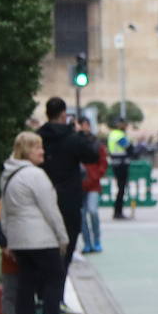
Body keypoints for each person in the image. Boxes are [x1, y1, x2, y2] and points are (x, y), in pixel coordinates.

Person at [0, 131, 75, 314]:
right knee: (55, 275)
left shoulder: (8, 174)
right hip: (40, 237)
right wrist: (62, 237)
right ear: (26, 151)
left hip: (19, 238)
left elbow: (4, 209)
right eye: (37, 148)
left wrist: (8, 237)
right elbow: (50, 209)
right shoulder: (35, 175)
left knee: (27, 280)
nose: (42, 152)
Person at [37, 97, 98, 295]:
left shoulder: (39, 137)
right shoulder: (72, 138)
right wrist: (83, 134)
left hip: (42, 199)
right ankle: (57, 296)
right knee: (67, 247)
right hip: (69, 200)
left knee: (43, 247)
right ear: (64, 115)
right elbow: (92, 156)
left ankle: (43, 294)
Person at [77, 117, 108, 254]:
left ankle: (97, 240)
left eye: (86, 125)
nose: (85, 127)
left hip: (93, 183)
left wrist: (96, 175)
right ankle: (87, 242)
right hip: (79, 184)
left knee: (93, 211)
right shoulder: (75, 142)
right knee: (82, 216)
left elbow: (103, 162)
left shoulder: (96, 144)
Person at [108, 117, 132, 219]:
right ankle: (118, 212)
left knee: (121, 189)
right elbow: (129, 148)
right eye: (124, 124)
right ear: (120, 124)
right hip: (120, 165)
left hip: (116, 164)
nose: (126, 126)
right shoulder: (118, 135)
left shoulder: (113, 134)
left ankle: (118, 211)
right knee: (121, 189)